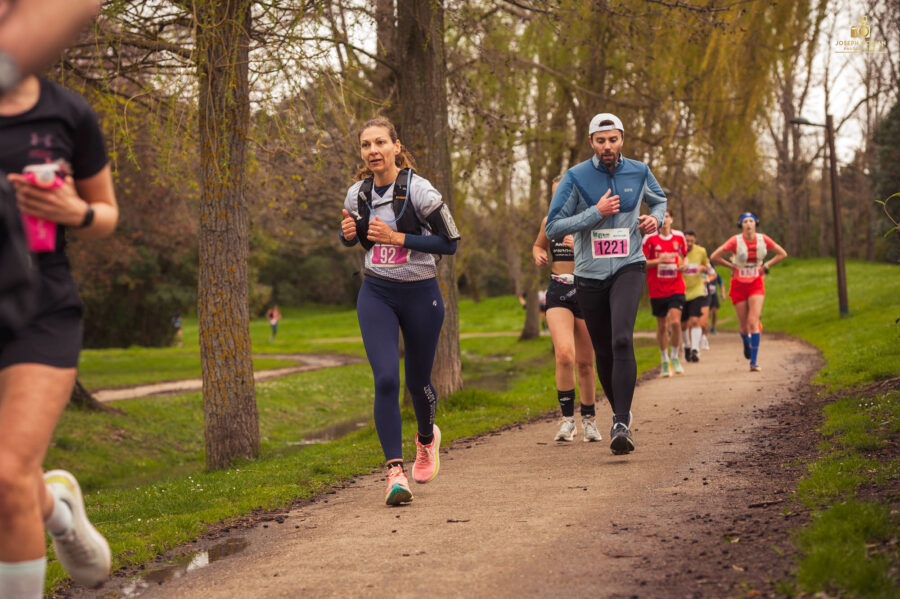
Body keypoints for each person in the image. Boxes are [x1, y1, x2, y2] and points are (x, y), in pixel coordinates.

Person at [0, 70, 117, 599]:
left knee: (6, 474)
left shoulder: (67, 112)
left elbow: (106, 213)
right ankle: (58, 507)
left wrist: (77, 212)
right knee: (15, 481)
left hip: (40, 307)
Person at [339, 117, 460, 505]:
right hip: (377, 292)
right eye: (365, 145)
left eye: (379, 143)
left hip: (421, 292)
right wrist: (350, 236)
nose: (372, 151)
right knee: (386, 379)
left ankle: (427, 439)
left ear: (396, 146)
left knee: (416, 383)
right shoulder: (356, 195)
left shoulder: (421, 191)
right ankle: (395, 473)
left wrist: (399, 237)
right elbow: (364, 243)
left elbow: (451, 242)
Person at [546, 112, 665, 455]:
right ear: (591, 143)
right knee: (603, 351)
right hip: (589, 274)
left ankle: (621, 422)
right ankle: (618, 416)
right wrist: (595, 211)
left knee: (622, 338)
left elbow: (658, 200)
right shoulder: (575, 177)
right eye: (601, 141)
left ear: (622, 139)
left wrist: (654, 219)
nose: (607, 146)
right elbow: (554, 226)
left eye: (613, 139)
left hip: (629, 265)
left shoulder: (639, 171)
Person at [533, 180, 600, 443]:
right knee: (564, 355)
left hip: (585, 290)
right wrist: (538, 253)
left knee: (585, 362)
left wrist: (581, 248)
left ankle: (590, 420)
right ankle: (567, 421)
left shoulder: (590, 218)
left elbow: (604, 255)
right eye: (556, 193)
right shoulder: (549, 220)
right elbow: (538, 245)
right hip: (558, 290)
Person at [710, 212, 787, 371]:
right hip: (738, 283)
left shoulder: (763, 239)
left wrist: (766, 266)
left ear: (755, 223)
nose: (749, 224)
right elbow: (714, 256)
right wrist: (731, 266)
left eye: (751, 221)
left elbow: (782, 253)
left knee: (753, 322)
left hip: (756, 283)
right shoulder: (735, 241)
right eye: (745, 221)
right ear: (741, 225)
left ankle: (754, 361)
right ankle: (746, 341)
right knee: (744, 327)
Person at [642, 209, 687, 377]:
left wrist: (685, 265)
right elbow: (642, 262)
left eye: (667, 217)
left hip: (676, 287)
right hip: (657, 289)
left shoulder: (679, 237)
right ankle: (664, 359)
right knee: (662, 326)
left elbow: (685, 255)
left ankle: (675, 356)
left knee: (675, 322)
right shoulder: (649, 239)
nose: (665, 220)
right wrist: (659, 260)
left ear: (671, 219)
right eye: (662, 218)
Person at [679, 230, 710, 363]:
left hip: (697, 290)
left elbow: (707, 266)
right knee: (683, 324)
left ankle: (695, 349)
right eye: (687, 241)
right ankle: (687, 346)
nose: (689, 243)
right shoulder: (677, 252)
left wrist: (703, 268)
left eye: (692, 241)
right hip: (681, 290)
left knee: (695, 320)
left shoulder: (701, 251)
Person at [706, 265, 723, 334]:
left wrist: (723, 294)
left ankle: (713, 327)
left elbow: (721, 284)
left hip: (713, 295)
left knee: (715, 312)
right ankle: (705, 327)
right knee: (708, 313)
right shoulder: (704, 274)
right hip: (706, 294)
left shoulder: (716, 275)